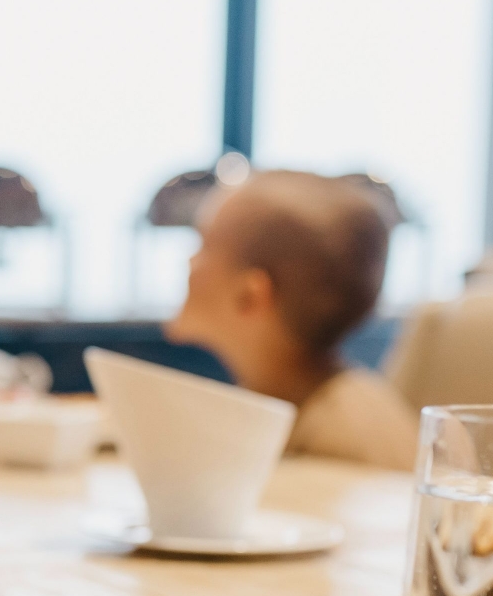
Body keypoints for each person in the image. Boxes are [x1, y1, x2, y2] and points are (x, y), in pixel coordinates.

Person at [165, 170, 420, 471]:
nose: (189, 262)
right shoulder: (276, 400)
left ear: (249, 296)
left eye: (204, 245)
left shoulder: (343, 442)